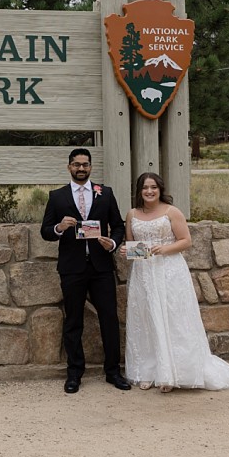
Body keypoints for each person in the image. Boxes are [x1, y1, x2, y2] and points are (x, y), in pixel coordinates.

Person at [120, 172, 229, 392]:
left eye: (153, 187)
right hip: (143, 273)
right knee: (147, 318)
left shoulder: (172, 212)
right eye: (145, 188)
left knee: (173, 319)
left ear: (160, 189)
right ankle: (149, 371)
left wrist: (164, 249)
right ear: (139, 191)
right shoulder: (132, 214)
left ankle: (172, 373)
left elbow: (186, 241)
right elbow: (134, 247)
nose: (149, 191)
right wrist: (126, 251)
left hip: (169, 270)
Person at [41, 148, 130, 394]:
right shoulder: (57, 196)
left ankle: (113, 371)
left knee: (109, 320)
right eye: (77, 164)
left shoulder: (105, 193)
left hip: (101, 267)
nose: (81, 168)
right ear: (69, 166)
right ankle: (74, 374)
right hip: (72, 269)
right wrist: (59, 227)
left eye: (85, 165)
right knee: (73, 321)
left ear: (91, 167)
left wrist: (112, 243)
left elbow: (119, 226)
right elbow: (45, 231)